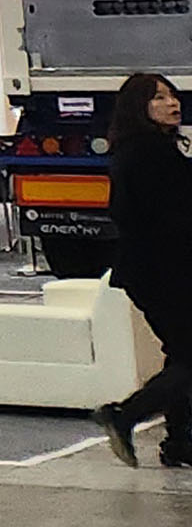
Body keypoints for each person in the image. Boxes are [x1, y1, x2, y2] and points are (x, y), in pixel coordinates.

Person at [91, 70, 190, 470]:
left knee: (181, 352)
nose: (172, 103)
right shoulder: (148, 154)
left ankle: (179, 441)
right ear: (139, 107)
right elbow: (172, 216)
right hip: (163, 272)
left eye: (172, 95)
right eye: (159, 98)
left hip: (157, 270)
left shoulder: (150, 149)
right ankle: (125, 414)